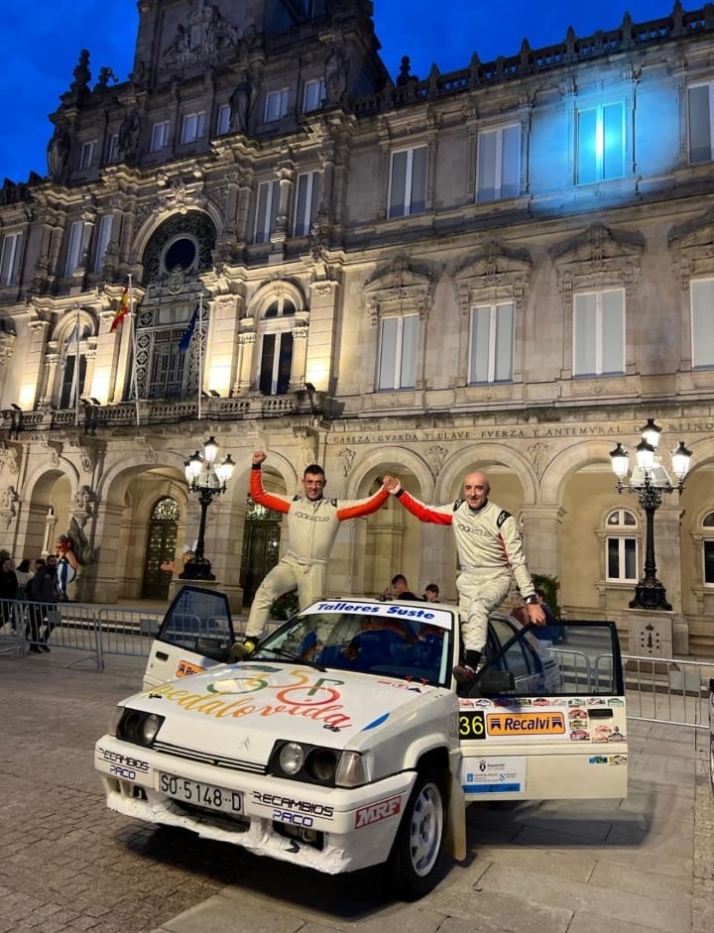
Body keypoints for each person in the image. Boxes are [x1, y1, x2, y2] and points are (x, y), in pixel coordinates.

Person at [383, 471, 545, 691]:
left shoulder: (502, 519)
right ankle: (475, 671)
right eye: (468, 488)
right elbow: (425, 512)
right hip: (468, 578)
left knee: (479, 607)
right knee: (466, 625)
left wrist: (531, 601)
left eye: (478, 488)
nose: (473, 493)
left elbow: (517, 561)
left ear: (487, 491)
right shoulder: (457, 509)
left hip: (496, 576)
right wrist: (399, 493)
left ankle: (468, 664)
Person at [233, 451, 390, 659]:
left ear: (324, 483)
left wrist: (385, 490)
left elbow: (368, 505)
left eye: (317, 482)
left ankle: (344, 645)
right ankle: (251, 641)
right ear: (303, 482)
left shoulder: (334, 508)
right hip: (290, 563)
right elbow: (259, 495)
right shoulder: (293, 503)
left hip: (315, 567)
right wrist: (255, 467)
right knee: (264, 591)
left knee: (312, 617)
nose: (313, 486)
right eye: (310, 482)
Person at [27, 555, 59, 653]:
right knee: (37, 624)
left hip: (52, 602)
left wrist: (57, 595)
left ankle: (43, 640)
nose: (54, 563)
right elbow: (35, 588)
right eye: (52, 561)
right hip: (42, 603)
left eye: (55, 561)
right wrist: (40, 600)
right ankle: (34, 645)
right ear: (48, 561)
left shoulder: (54, 573)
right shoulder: (42, 572)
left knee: (54, 621)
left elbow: (55, 586)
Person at [54, 534, 78, 601]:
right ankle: (58, 594)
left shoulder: (68, 553)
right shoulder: (57, 553)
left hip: (65, 571)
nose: (58, 545)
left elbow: (74, 565)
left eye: (60, 542)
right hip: (57, 572)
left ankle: (62, 594)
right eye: (57, 542)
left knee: (62, 581)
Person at [0, 557, 18, 630]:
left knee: (6, 617)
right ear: (2, 564)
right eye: (6, 564)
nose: (7, 565)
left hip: (8, 599)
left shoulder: (12, 574)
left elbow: (15, 585)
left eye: (9, 564)